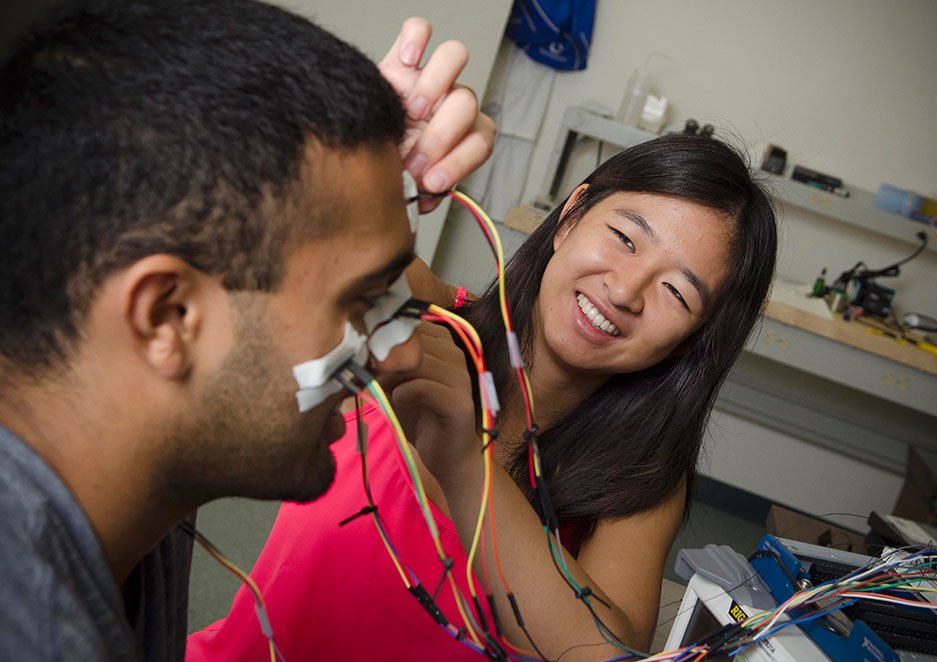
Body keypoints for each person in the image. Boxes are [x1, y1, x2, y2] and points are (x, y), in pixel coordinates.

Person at [0, 0, 497, 659]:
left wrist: (351, 185)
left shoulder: (126, 458)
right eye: (361, 301)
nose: (403, 355)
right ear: (168, 318)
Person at [188, 133, 779, 660]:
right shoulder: (431, 320)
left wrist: (469, 465)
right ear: (571, 215)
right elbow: (268, 235)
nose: (625, 291)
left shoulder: (642, 477)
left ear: (692, 341)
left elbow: (607, 652)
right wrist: (360, 172)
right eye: (624, 238)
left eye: (676, 293)